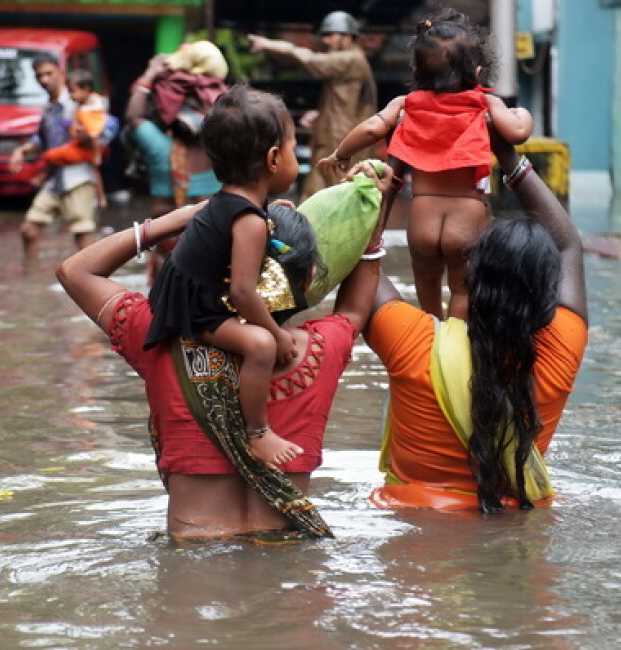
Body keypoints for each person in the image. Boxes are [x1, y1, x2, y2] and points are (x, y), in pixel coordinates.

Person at [56, 162, 393, 538]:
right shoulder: (320, 352)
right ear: (309, 279)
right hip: (288, 562)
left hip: (194, 565)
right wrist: (373, 218)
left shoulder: (158, 335)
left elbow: (75, 272)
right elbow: (354, 309)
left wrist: (186, 217)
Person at [365, 124, 587, 514]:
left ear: (469, 278)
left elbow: (361, 256)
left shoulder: (410, 341)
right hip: (519, 541)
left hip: (413, 537)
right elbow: (568, 244)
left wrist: (397, 165)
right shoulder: (562, 348)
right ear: (548, 295)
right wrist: (509, 158)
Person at [319, 8, 533, 320]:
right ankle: (455, 339)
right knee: (462, 288)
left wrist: (340, 154)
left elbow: (371, 129)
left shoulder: (406, 105)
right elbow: (516, 134)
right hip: (466, 213)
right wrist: (522, 114)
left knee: (426, 280)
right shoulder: (484, 103)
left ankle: (432, 330)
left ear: (418, 72)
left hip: (422, 216)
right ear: (476, 73)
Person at [142, 84, 307, 467]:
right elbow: (245, 293)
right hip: (197, 309)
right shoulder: (247, 219)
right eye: (293, 146)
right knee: (261, 346)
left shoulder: (235, 203)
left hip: (187, 288)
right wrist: (278, 334)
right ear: (272, 158)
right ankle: (258, 433)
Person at [248, 11, 377, 200]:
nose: (326, 41)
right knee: (316, 190)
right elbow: (345, 100)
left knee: (338, 191)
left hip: (339, 138)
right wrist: (321, 114)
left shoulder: (351, 59)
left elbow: (310, 60)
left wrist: (268, 45)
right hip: (331, 135)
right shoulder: (348, 61)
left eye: (331, 35)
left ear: (348, 37)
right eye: (325, 35)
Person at [123, 47, 225, 280]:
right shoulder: (223, 153)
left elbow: (133, 117)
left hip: (168, 256)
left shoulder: (159, 149)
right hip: (212, 257)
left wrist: (149, 75)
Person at [9, 54, 98, 259]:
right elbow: (42, 138)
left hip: (78, 177)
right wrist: (22, 150)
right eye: (40, 76)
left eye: (49, 74)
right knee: (28, 230)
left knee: (83, 237)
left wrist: (89, 136)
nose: (45, 80)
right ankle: (31, 276)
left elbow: (105, 125)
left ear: (60, 72)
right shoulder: (49, 107)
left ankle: (92, 282)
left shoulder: (77, 99)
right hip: (54, 179)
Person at [41, 69, 110, 208]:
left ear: (86, 89)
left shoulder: (88, 111)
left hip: (84, 150)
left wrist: (96, 155)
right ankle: (101, 198)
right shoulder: (88, 104)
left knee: (51, 156)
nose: (70, 95)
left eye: (72, 91)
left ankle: (101, 198)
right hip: (77, 146)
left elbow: (94, 135)